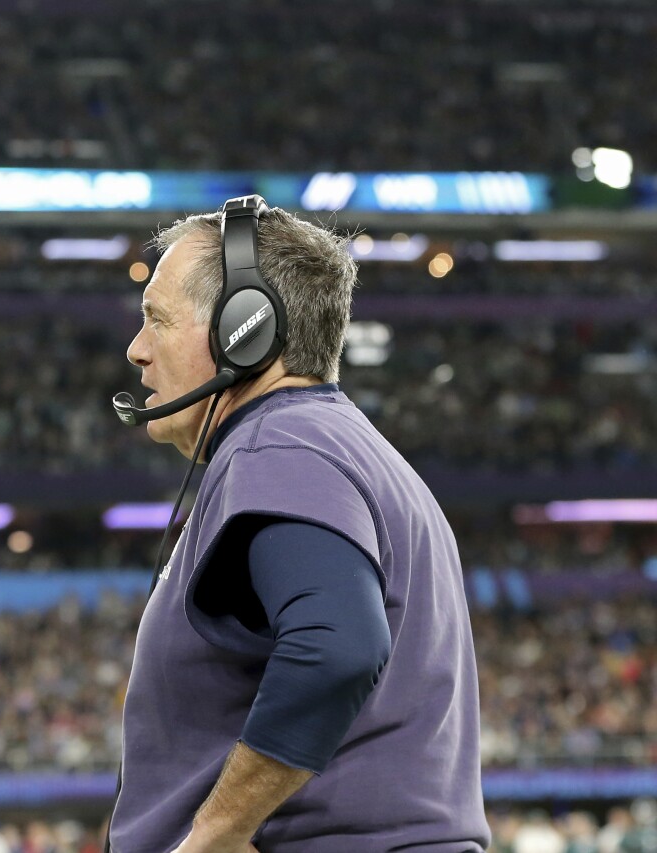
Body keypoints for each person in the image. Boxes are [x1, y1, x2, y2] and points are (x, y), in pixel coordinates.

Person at [106, 198, 488, 852]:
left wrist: (213, 836)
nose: (137, 350)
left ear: (243, 330)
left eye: (156, 318)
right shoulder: (338, 445)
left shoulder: (279, 446)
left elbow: (337, 645)